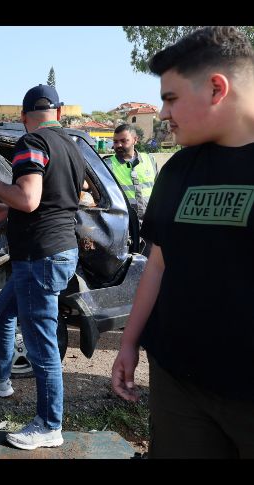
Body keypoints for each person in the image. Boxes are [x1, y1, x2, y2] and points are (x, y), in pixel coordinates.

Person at [111, 26, 254, 459]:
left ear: (216, 88)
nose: (162, 112)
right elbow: (158, 262)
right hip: (177, 382)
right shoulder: (177, 170)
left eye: (171, 98)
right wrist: (130, 341)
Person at [0, 84, 86, 450]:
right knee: (2, 311)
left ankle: (49, 425)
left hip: (39, 257)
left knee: (40, 345)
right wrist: (5, 208)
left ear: (23, 117)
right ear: (60, 114)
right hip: (58, 249)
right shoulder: (72, 146)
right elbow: (59, 199)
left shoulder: (31, 143)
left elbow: (30, 199)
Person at [105, 123, 157, 224]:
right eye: (115, 142)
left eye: (124, 141)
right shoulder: (107, 165)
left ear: (135, 140)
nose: (119, 145)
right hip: (124, 224)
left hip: (151, 222)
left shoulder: (150, 160)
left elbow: (160, 190)